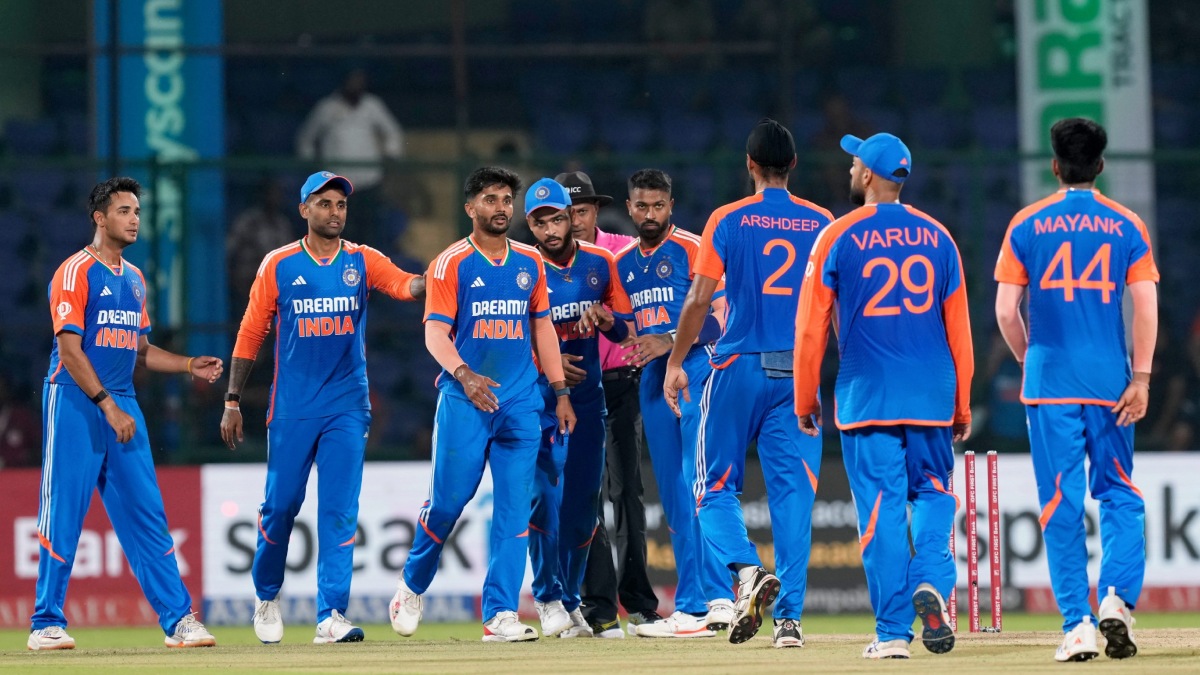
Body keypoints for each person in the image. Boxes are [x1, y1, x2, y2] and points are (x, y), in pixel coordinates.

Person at [220, 171, 425, 645]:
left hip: (347, 406)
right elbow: (251, 333)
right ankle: (266, 596)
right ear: (304, 210)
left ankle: (331, 615)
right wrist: (232, 399)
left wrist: (438, 277)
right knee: (280, 507)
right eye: (325, 203)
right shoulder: (279, 264)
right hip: (293, 408)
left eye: (341, 204)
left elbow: (404, 285)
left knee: (339, 511)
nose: (335, 212)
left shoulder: (362, 259)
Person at [794, 133, 973, 660]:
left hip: (867, 394)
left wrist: (805, 397)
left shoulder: (836, 234)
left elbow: (810, 326)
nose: (850, 170)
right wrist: (962, 402)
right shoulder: (939, 236)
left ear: (869, 174)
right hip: (932, 393)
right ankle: (931, 577)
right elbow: (959, 330)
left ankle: (893, 633)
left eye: (854, 164)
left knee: (882, 514)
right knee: (934, 493)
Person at [29, 177, 223, 651]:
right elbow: (69, 351)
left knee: (147, 515)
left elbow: (140, 350)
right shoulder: (74, 271)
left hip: (121, 401)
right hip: (74, 400)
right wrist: (108, 406)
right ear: (99, 218)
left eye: (137, 211)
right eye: (124, 211)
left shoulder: (135, 278)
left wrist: (188, 365)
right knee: (63, 512)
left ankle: (179, 621)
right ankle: (45, 624)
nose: (134, 219)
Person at [664, 119, 832, 648]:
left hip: (738, 367)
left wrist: (675, 361)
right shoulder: (823, 222)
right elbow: (834, 305)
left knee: (712, 488)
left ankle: (745, 571)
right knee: (793, 500)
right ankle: (790, 622)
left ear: (749, 164)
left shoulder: (727, 219)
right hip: (798, 374)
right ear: (794, 164)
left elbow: (699, 299)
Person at [389, 167, 577, 643]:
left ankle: (500, 614)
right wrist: (465, 375)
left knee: (514, 510)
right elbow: (434, 333)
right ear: (470, 207)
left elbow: (542, 328)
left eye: (507, 199)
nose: (501, 207)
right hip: (465, 401)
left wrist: (559, 392)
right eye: (490, 199)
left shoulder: (530, 261)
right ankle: (411, 586)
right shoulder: (450, 263)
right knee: (448, 503)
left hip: (520, 402)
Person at [994, 118, 1158, 662]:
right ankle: (1117, 599)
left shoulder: (1026, 224)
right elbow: (1145, 307)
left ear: (1055, 166)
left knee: (1060, 503)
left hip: (1050, 385)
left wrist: (1029, 358)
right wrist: (1141, 378)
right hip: (1111, 383)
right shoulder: (1127, 224)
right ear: (1101, 166)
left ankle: (1078, 625)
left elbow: (1005, 311)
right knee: (1119, 492)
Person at [583, 168, 734, 638]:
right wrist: (606, 322)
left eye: (658, 206)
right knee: (673, 493)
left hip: (697, 373)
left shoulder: (693, 247)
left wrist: (670, 340)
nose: (650, 214)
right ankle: (697, 605)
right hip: (652, 382)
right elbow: (632, 335)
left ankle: (714, 599)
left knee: (697, 485)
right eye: (642, 206)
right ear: (629, 208)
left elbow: (723, 317)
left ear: (671, 206)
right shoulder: (623, 262)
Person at [523, 177, 634, 639]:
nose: (550, 230)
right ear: (529, 225)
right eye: (539, 223)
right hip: (538, 401)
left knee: (584, 507)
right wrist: (545, 363)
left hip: (589, 400)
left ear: (571, 217)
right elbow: (504, 336)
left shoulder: (600, 263)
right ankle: (547, 596)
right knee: (543, 501)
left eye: (556, 219)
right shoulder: (522, 266)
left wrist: (608, 320)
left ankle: (570, 601)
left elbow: (625, 329)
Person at [559, 170, 661, 638]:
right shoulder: (544, 262)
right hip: (575, 390)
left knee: (627, 493)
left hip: (621, 382)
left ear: (596, 210)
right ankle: (600, 609)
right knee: (587, 497)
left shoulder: (620, 252)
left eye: (582, 211)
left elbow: (645, 306)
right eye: (567, 213)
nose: (575, 221)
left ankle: (639, 604)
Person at [296, 69, 404, 245]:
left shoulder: (372, 105)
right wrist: (311, 165)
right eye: (352, 80)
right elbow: (306, 138)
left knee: (369, 232)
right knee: (340, 230)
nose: (356, 85)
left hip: (369, 181)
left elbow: (393, 132)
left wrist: (391, 155)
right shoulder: (327, 107)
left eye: (359, 80)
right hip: (338, 184)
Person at [227, 178, 295, 319]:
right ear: (263, 195)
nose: (275, 198)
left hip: (276, 285)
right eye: (271, 193)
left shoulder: (282, 223)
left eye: (278, 194)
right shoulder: (249, 221)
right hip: (248, 282)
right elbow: (230, 250)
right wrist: (234, 278)